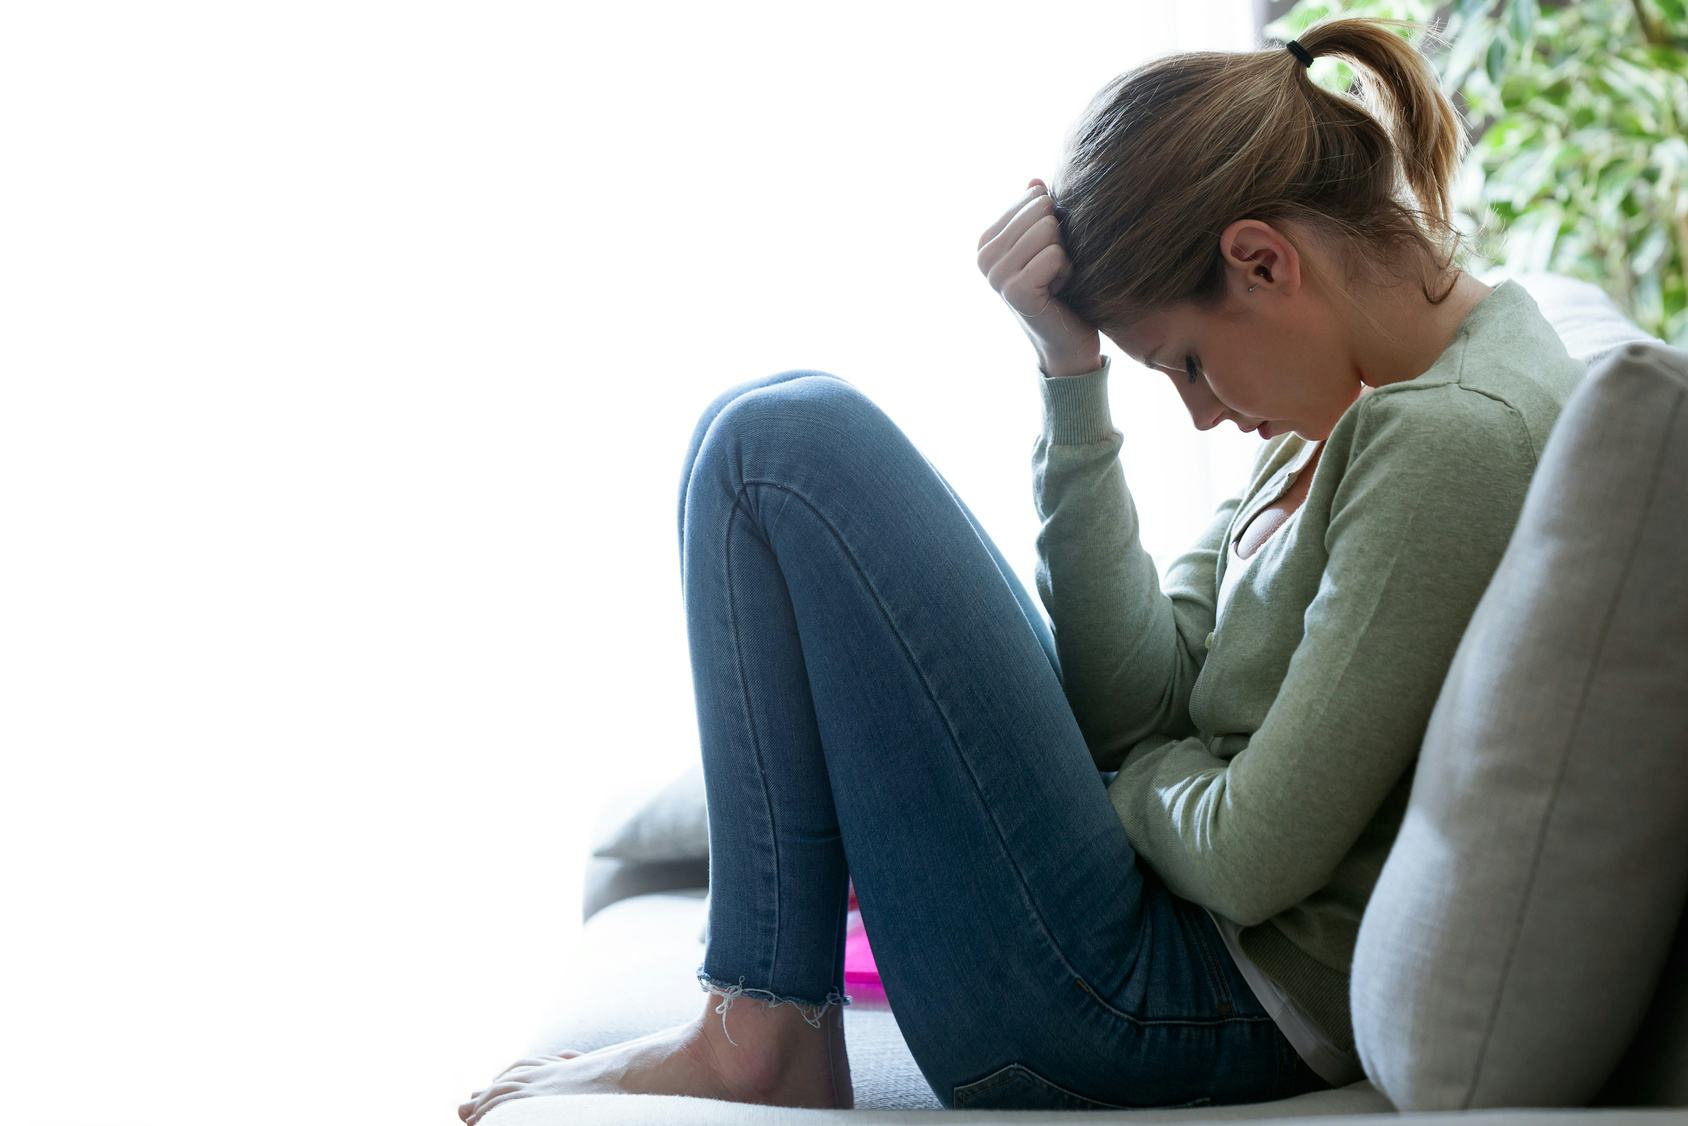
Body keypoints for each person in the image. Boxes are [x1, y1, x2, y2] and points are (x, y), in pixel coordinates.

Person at [458, 16, 1586, 1121]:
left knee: (784, 449)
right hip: (1155, 940)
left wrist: (1127, 779)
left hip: (1171, 1001)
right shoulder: (1347, 399)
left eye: (1186, 362)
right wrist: (1068, 372)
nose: (1201, 414)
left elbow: (1245, 855)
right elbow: (1129, 701)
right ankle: (761, 1019)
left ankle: (756, 1031)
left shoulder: (1446, 439)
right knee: (754, 430)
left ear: (1260, 260)